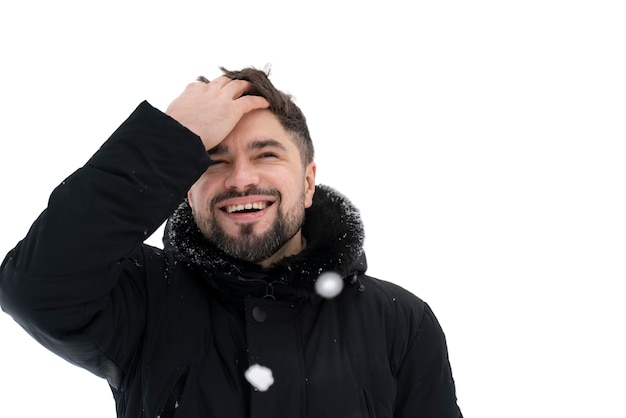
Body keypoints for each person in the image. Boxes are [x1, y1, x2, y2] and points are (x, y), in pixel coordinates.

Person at [0, 67, 463, 417]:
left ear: (307, 182)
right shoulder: (143, 295)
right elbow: (36, 288)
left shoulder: (401, 321)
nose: (241, 178)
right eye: (212, 158)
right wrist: (168, 138)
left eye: (266, 154)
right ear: (186, 183)